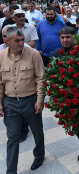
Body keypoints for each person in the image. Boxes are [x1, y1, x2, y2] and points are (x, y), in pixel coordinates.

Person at [0, 27, 45, 173]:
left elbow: (41, 78)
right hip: (10, 103)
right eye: (17, 41)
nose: (21, 43)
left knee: (37, 132)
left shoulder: (33, 54)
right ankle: (11, 171)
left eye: (22, 40)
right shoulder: (0, 56)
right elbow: (0, 82)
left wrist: (40, 100)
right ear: (6, 40)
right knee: (13, 137)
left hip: (30, 101)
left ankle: (39, 155)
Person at [51, 26, 79, 174]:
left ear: (74, 37)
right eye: (62, 38)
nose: (65, 40)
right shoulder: (56, 55)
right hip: (67, 103)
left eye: (68, 37)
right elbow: (52, 78)